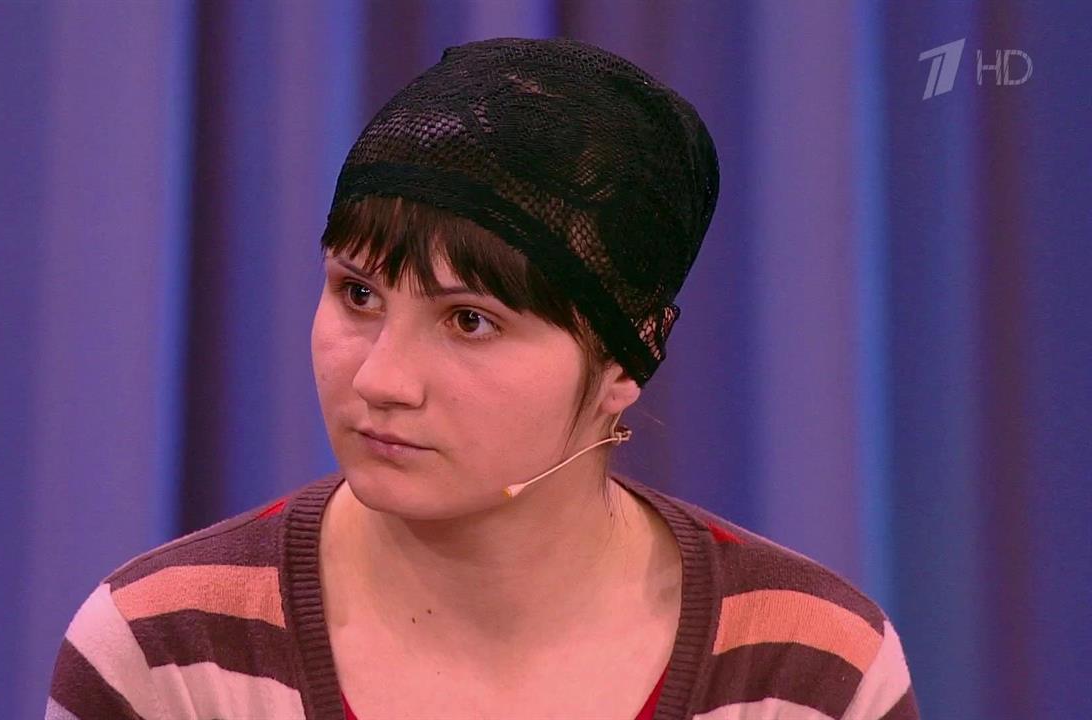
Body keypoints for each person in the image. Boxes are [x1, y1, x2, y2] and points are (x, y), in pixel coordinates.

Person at [46, 37, 918, 720]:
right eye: (357, 294)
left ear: (626, 360)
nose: (382, 379)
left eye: (470, 321)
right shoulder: (165, 648)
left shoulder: (809, 669)